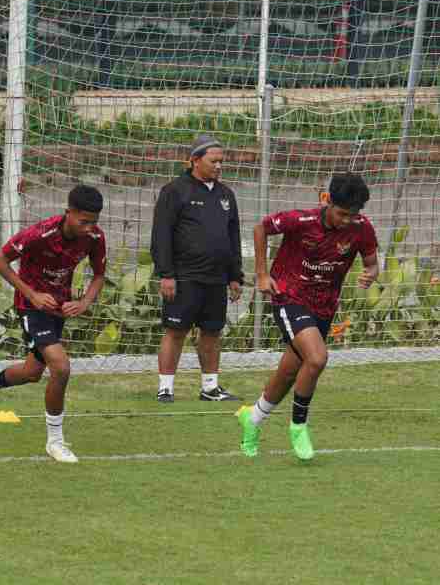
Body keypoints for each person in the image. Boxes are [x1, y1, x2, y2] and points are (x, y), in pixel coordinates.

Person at [238, 174, 378, 460]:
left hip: (324, 306)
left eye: (353, 216)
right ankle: (298, 426)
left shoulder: (361, 228)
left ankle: (252, 418)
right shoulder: (301, 221)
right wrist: (262, 274)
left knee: (290, 371)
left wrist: (370, 274)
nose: (347, 221)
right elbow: (260, 228)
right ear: (327, 202)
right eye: (342, 214)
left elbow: (372, 263)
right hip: (289, 296)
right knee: (317, 358)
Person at [0, 184, 106, 463]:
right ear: (68, 213)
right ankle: (55, 442)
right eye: (84, 221)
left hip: (58, 308)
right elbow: (0, 261)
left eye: (94, 221)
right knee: (61, 367)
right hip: (31, 306)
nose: (90, 227)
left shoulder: (94, 237)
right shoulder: (40, 233)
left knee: (32, 372)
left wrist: (84, 302)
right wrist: (32, 294)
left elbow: (99, 275)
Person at [151, 134, 243, 403]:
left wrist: (235, 276)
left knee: (212, 332)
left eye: (221, 162)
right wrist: (166, 274)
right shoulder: (174, 191)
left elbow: (233, 236)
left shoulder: (227, 195)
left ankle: (210, 387)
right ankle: (166, 387)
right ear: (194, 160)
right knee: (175, 330)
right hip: (184, 276)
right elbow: (161, 235)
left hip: (216, 278)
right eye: (214, 161)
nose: (219, 166)